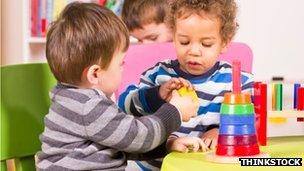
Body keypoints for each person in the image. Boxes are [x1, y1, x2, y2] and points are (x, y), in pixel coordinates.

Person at [35, 2, 206, 171]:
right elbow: (138, 136)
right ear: (95, 74)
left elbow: (122, 142)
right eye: (120, 63)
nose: (123, 68)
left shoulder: (74, 100)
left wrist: (167, 145)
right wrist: (174, 111)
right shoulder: (88, 107)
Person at [119, 0, 254, 170]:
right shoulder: (158, 75)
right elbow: (124, 106)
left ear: (225, 42)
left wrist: (221, 131)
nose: (194, 51)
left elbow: (252, 124)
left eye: (206, 44)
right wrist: (157, 94)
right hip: (154, 167)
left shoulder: (238, 82)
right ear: (173, 36)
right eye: (184, 42)